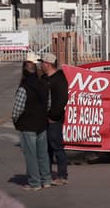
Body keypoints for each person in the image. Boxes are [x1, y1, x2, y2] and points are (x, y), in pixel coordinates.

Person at [12, 52, 52, 191]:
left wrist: (15, 121)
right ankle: (46, 179)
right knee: (43, 154)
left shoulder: (24, 88)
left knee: (31, 155)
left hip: (28, 125)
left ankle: (34, 182)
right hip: (41, 124)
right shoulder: (43, 84)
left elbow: (17, 109)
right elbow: (48, 105)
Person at [40, 52, 69, 186]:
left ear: (48, 64)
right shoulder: (44, 79)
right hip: (43, 119)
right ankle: (47, 174)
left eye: (43, 63)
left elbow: (62, 100)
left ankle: (62, 175)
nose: (41, 65)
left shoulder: (59, 79)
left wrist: (53, 116)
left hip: (54, 120)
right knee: (47, 148)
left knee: (57, 146)